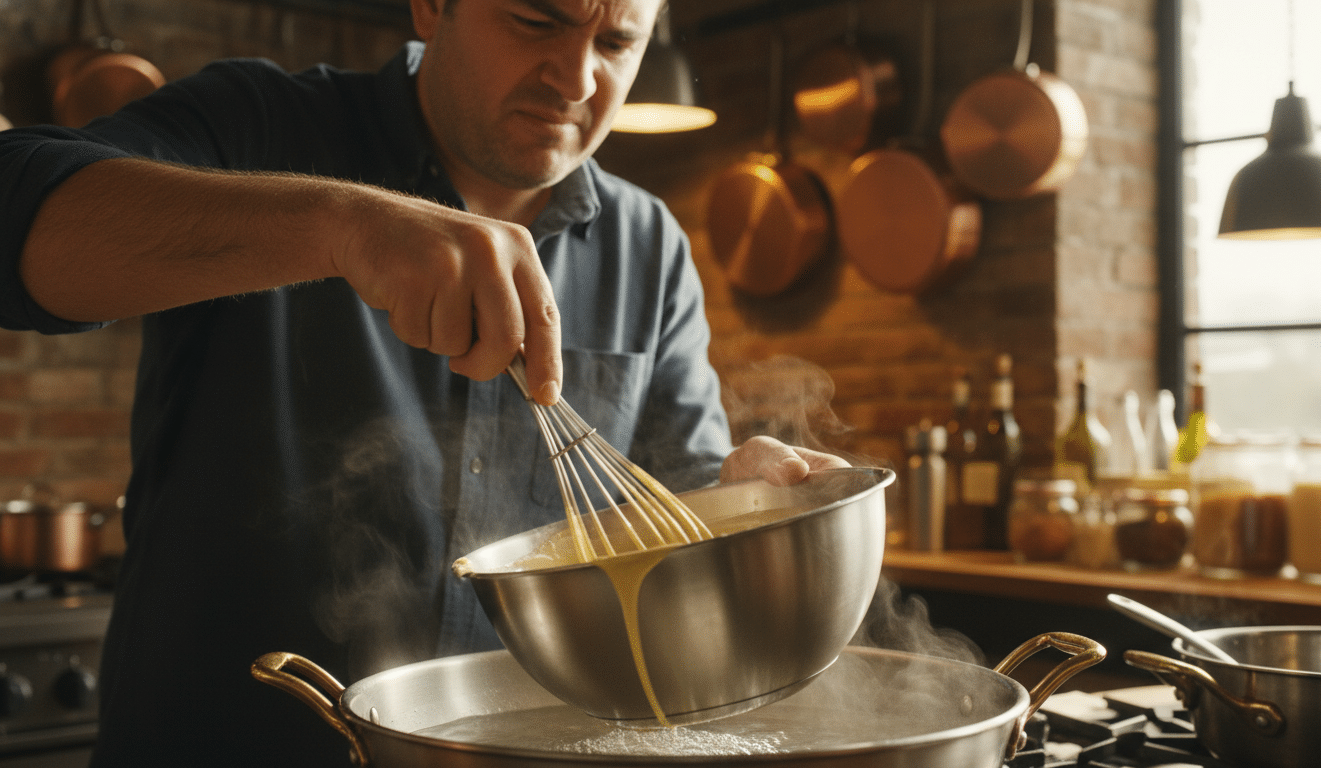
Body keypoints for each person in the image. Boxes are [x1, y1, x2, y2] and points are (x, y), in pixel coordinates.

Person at [0, 0, 848, 765]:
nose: (578, 76)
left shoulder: (648, 245)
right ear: (432, 5)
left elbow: (676, 508)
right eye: (537, 19)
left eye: (617, 39)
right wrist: (340, 225)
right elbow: (16, 211)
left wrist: (742, 501)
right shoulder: (260, 127)